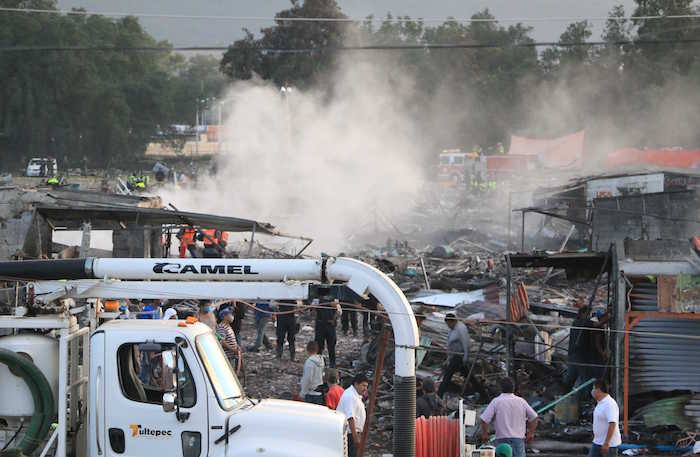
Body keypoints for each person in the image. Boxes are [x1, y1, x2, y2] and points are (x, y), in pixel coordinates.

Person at [480, 378, 538, 457]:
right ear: (513, 388)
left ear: (501, 388)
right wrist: (530, 434)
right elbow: (534, 417)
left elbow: (484, 419)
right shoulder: (521, 401)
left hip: (501, 441)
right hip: (518, 441)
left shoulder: (496, 401)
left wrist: (485, 434)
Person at [437, 313, 470, 398]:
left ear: (453, 321)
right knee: (468, 375)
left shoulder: (460, 328)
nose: (448, 326)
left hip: (459, 356)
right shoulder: (452, 329)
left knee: (447, 375)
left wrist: (465, 357)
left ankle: (439, 394)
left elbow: (465, 343)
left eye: (449, 324)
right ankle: (480, 391)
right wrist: (448, 358)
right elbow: (450, 345)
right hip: (453, 356)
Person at [337, 373, 369, 457]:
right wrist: (356, 438)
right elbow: (350, 418)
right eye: (363, 386)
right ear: (356, 384)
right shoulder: (350, 396)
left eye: (366, 386)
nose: (365, 389)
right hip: (350, 435)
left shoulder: (355, 395)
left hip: (354, 433)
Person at [589, 379, 621, 457]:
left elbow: (612, 423)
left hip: (609, 445)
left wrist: (606, 443)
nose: (592, 391)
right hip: (597, 442)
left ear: (598, 390)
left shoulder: (609, 404)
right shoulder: (600, 403)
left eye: (593, 389)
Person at [315, 299, 342, 368]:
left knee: (331, 346)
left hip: (329, 325)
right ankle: (319, 362)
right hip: (320, 325)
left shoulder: (334, 299)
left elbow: (339, 311)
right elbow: (312, 309)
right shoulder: (317, 299)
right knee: (319, 345)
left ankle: (332, 363)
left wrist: (334, 319)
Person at [216, 308, 242, 374]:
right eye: (230, 314)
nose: (232, 316)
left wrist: (237, 346)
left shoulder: (228, 326)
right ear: (224, 316)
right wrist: (233, 349)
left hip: (231, 356)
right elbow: (222, 341)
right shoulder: (222, 327)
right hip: (227, 357)